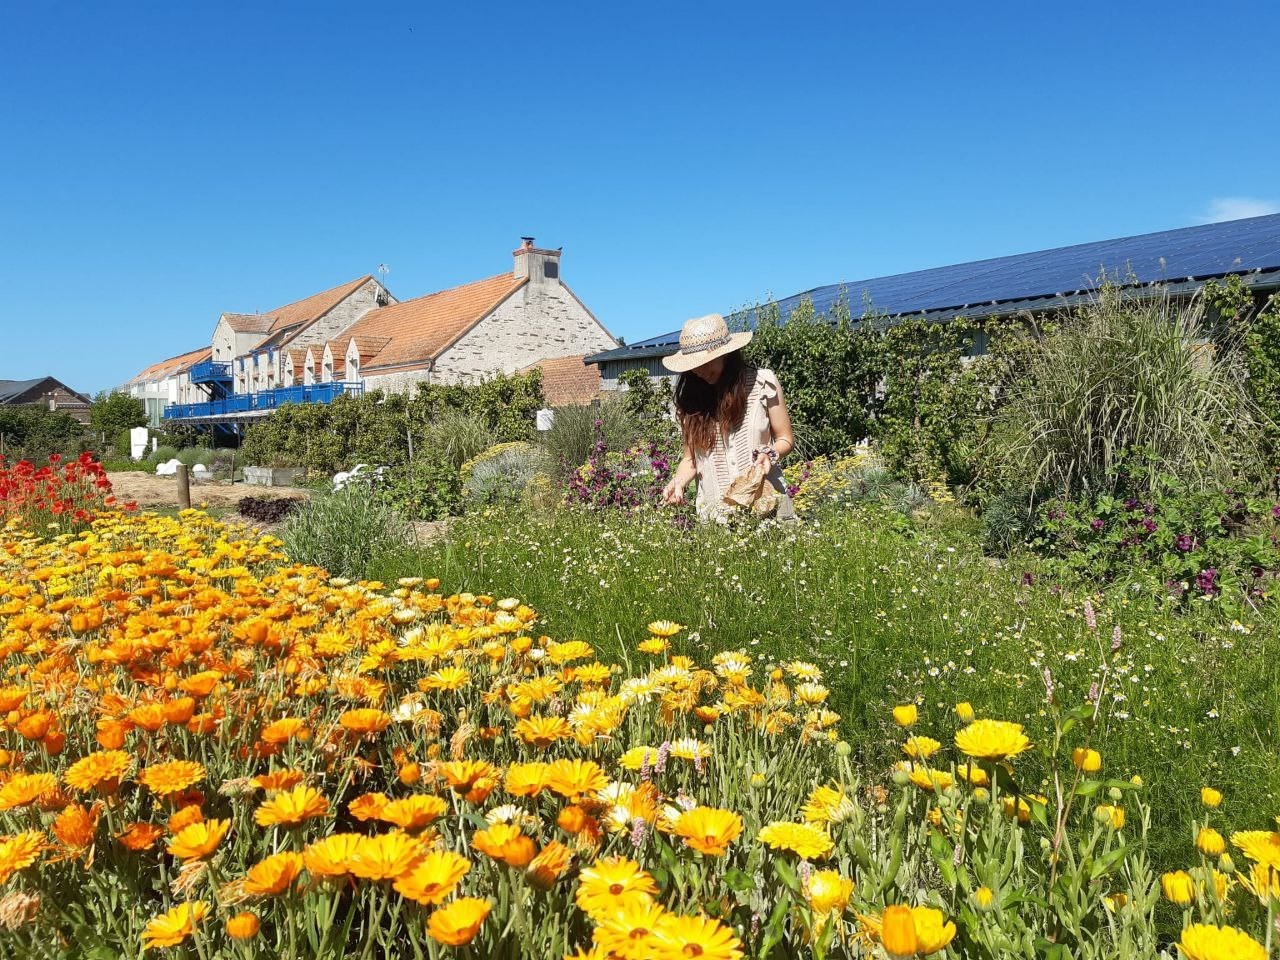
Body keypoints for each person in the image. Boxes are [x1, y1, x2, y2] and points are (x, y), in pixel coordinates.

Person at [659, 313, 796, 520]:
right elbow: (690, 460)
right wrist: (677, 483)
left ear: (725, 354)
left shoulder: (763, 383)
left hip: (768, 506)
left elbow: (785, 439)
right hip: (717, 517)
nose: (698, 370)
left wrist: (769, 453)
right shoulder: (691, 401)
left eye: (705, 362)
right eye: (693, 364)